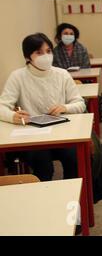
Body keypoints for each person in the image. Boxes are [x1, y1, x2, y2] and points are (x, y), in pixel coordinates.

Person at [0, 33, 86, 181]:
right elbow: (2, 107)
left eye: (48, 51)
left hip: (62, 133)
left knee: (74, 158)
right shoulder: (18, 76)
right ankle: (43, 197)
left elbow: (80, 103)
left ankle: (71, 195)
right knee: (43, 165)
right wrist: (12, 116)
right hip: (33, 136)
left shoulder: (62, 74)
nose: (45, 56)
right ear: (28, 57)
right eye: (39, 52)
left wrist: (65, 107)